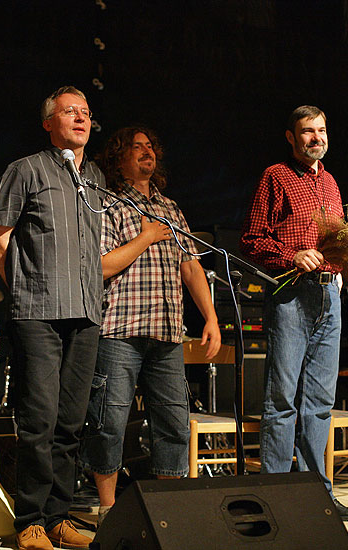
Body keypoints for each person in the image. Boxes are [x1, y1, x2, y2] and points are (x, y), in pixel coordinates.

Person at [79, 127, 222, 525]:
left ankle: (166, 508)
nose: (146, 153)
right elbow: (100, 265)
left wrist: (210, 318)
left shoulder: (171, 208)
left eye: (150, 147)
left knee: (174, 423)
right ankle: (107, 509)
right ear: (119, 158)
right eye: (136, 147)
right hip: (120, 330)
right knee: (109, 421)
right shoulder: (106, 204)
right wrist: (145, 238)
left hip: (167, 332)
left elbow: (191, 267)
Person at [0, 86, 103, 550]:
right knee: (38, 419)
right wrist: (24, 290)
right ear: (48, 122)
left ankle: (58, 516)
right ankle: (30, 520)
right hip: (38, 312)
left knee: (71, 422)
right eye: (69, 111)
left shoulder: (93, 178)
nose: (80, 118)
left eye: (86, 112)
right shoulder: (26, 169)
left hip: (86, 312)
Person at [240, 105, 348, 521]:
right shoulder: (276, 176)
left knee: (320, 403)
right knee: (281, 400)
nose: (317, 138)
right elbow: (252, 240)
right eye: (307, 132)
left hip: (331, 297)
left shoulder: (330, 181)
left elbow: (336, 241)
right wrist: (292, 254)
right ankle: (275, 494)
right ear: (291, 137)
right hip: (292, 294)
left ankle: (318, 493)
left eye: (322, 130)